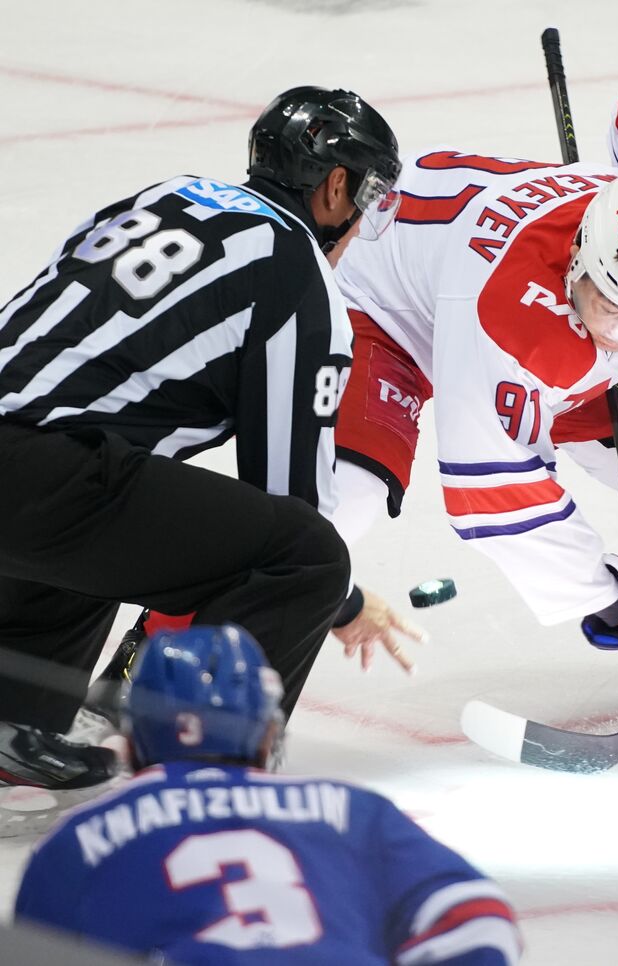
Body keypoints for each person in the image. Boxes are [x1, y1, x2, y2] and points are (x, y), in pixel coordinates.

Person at [0, 86, 401, 812]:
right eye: (368, 199)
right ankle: (205, 776)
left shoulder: (167, 194)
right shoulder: (296, 272)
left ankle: (10, 722)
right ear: (336, 188)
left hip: (29, 464)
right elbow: (290, 509)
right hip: (35, 481)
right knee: (306, 556)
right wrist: (341, 603)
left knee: (107, 487)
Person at [328, 83, 618, 664]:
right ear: (583, 265)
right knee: (346, 500)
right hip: (379, 300)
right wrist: (611, 597)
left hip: (482, 268)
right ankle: (187, 624)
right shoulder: (516, 325)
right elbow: (492, 496)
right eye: (612, 308)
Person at [14, 624, 521, 965]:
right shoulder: (352, 811)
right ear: (266, 733)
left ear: (133, 739)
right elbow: (478, 918)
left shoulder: (81, 841)